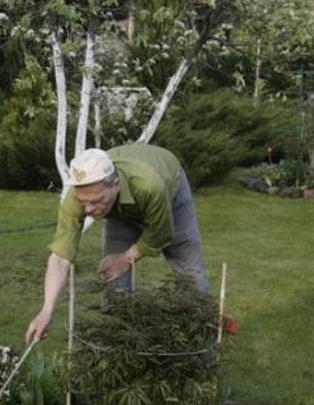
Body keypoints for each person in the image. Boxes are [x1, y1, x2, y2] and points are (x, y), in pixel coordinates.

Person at [25, 143, 209, 344]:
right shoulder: (78, 197)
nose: (88, 209)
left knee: (190, 273)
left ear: (116, 184)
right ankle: (118, 347)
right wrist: (46, 310)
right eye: (83, 201)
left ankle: (202, 343)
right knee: (113, 277)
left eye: (96, 200)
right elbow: (60, 257)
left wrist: (128, 257)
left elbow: (161, 234)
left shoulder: (149, 186)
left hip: (170, 190)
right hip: (121, 206)